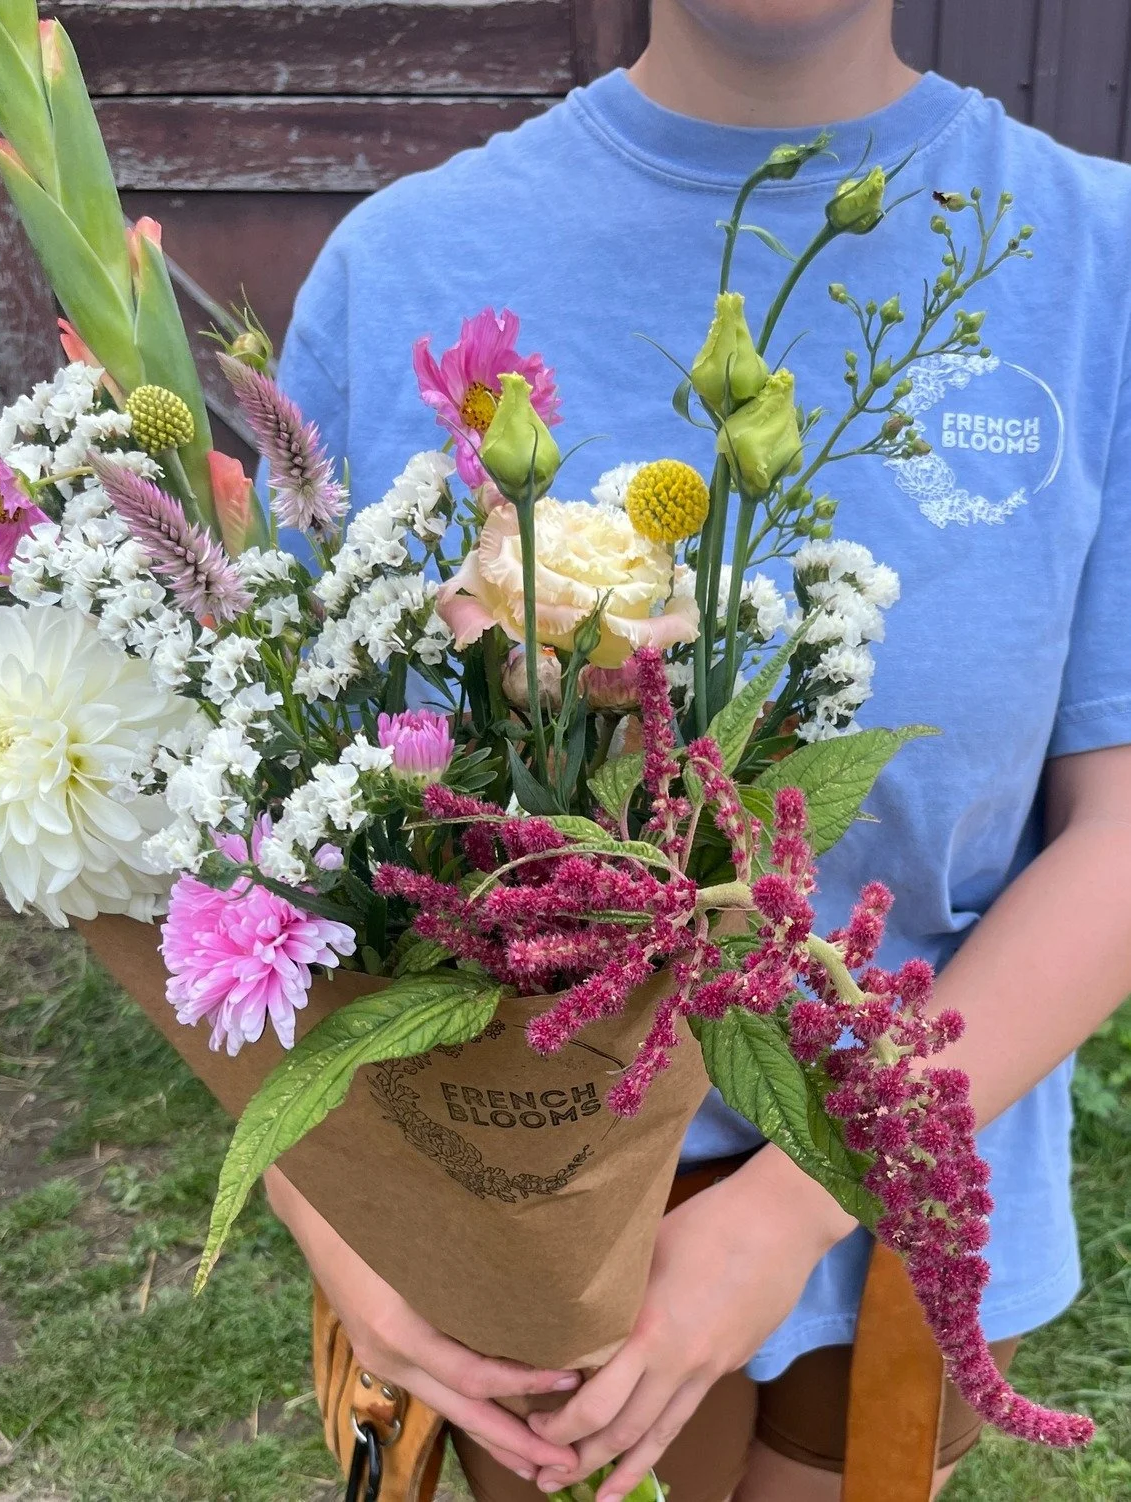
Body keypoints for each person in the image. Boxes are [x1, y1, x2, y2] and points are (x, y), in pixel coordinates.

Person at [261, 1, 1131, 1497]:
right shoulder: (406, 261)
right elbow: (264, 852)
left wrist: (788, 1205)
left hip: (899, 1180)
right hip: (513, 1202)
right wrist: (345, 1224)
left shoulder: (1088, 259)